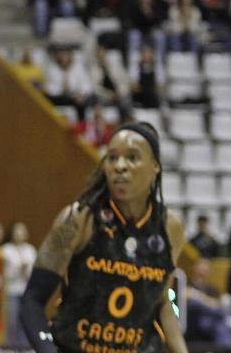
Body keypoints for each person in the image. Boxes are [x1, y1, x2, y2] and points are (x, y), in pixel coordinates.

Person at [21, 123, 186, 353]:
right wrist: (47, 349)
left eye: (132, 158)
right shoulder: (78, 219)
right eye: (112, 158)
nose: (120, 166)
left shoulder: (170, 227)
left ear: (155, 166)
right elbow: (32, 300)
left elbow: (165, 302)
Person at [0, 222, 36, 348]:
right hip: (11, 291)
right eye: (17, 231)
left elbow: (34, 273)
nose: (20, 234)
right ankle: (11, 347)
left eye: (22, 231)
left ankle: (26, 348)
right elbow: (2, 274)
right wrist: (17, 270)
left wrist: (26, 271)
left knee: (26, 322)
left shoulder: (31, 250)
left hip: (26, 291)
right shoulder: (5, 250)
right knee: (12, 322)